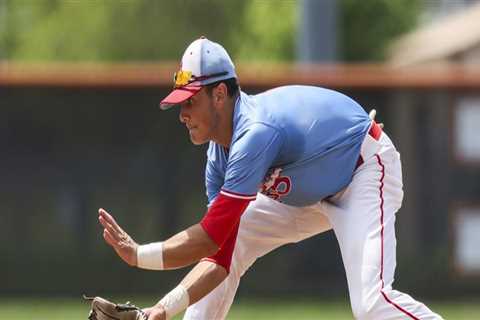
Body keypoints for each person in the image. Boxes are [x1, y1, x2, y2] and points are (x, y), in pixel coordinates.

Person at [98, 37, 443, 320]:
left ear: (219, 94)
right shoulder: (219, 156)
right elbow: (218, 257)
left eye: (190, 101)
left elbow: (205, 239)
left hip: (362, 171)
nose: (183, 114)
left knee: (371, 304)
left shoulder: (254, 133)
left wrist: (138, 254)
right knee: (234, 243)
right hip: (308, 191)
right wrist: (163, 309)